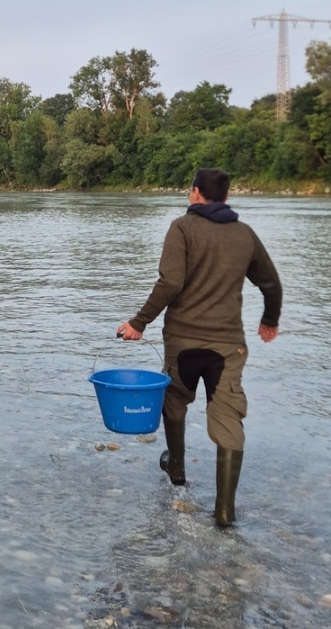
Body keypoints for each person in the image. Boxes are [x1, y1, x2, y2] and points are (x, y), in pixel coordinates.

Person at [117, 167, 281, 528]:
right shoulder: (244, 234)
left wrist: (139, 323)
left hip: (183, 343)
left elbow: (170, 282)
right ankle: (224, 512)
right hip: (227, 347)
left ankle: (176, 470)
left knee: (174, 400)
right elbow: (271, 284)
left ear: (194, 193)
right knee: (228, 417)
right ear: (226, 197)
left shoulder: (182, 228)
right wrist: (269, 320)